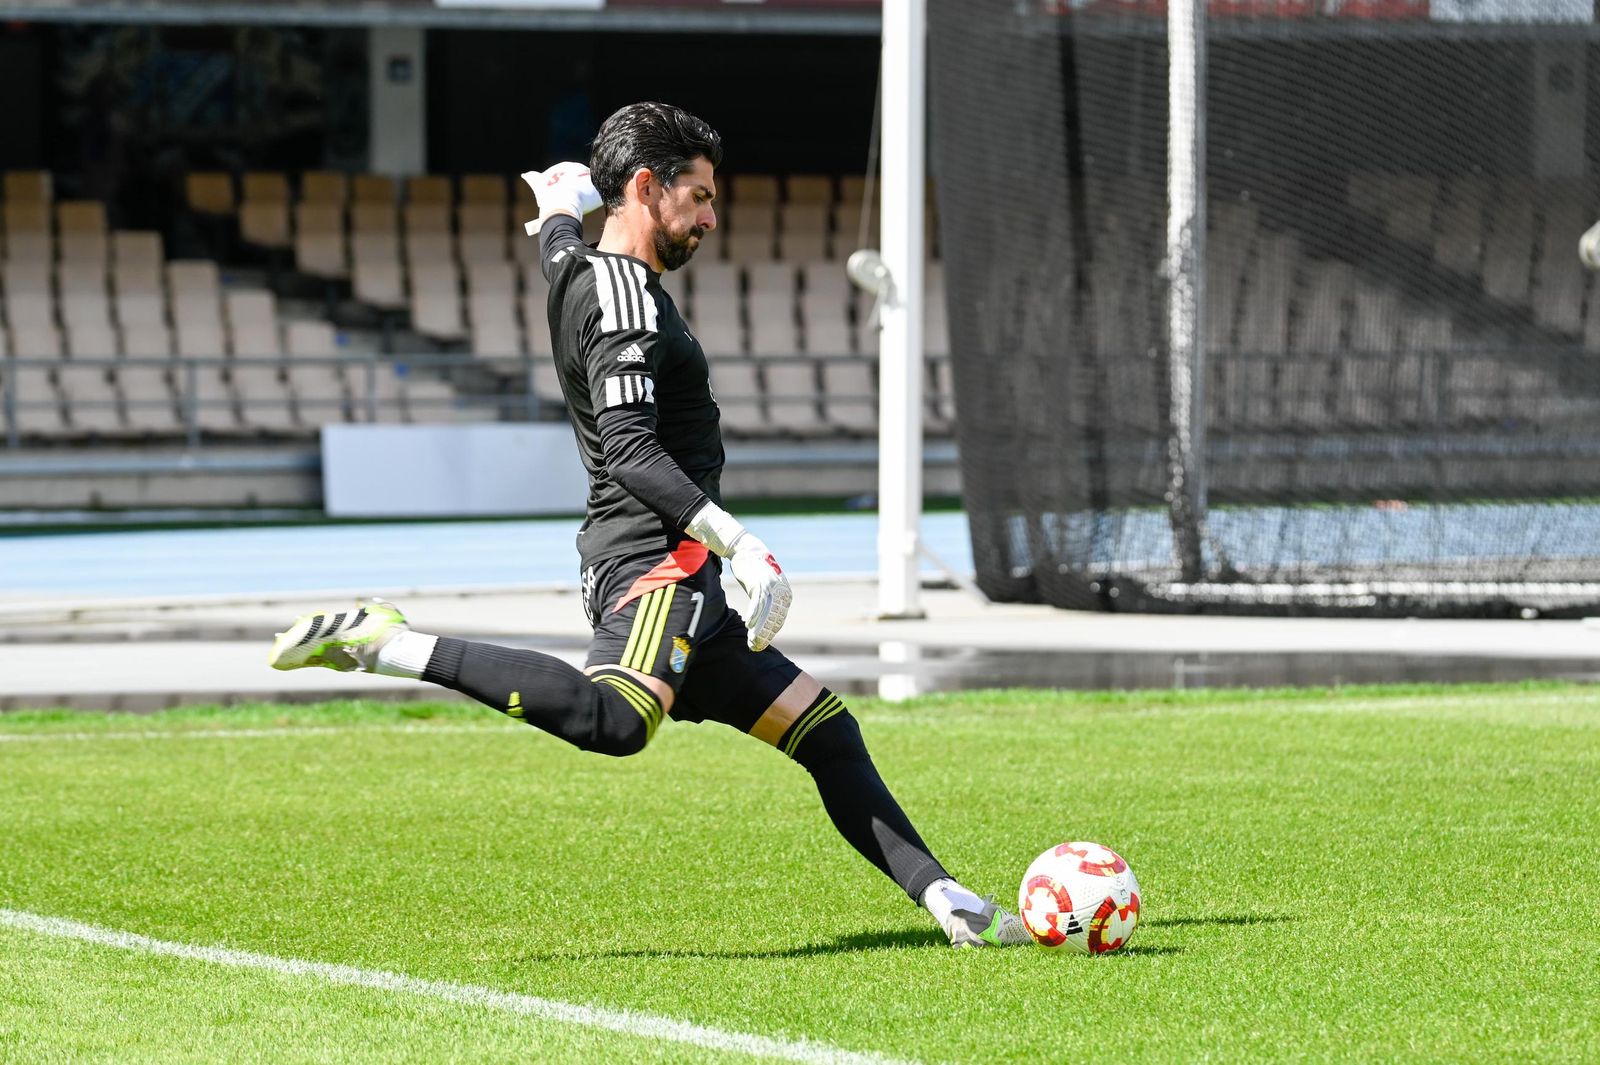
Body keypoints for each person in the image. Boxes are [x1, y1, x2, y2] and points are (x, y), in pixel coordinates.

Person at [269, 101, 1029, 949]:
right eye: (698, 196)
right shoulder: (628, 300)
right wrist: (738, 541)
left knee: (826, 730)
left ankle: (947, 900)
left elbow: (560, 253)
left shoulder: (584, 271)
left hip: (678, 569)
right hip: (655, 558)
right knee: (618, 721)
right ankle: (388, 643)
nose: (710, 216)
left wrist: (560, 207)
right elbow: (630, 448)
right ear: (643, 186)